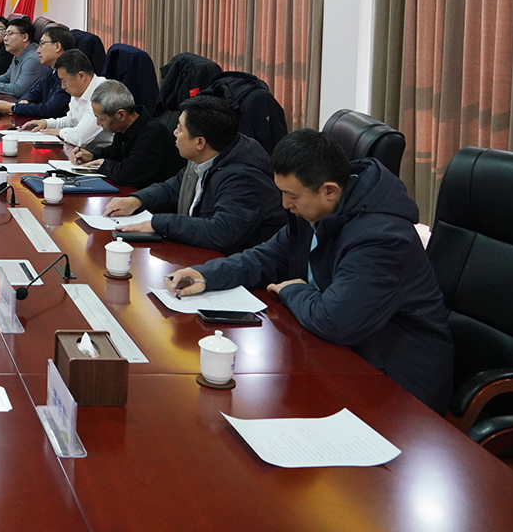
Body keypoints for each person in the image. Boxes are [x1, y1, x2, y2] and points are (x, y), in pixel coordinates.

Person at [165, 130, 453, 414]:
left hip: (397, 385)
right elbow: (267, 257)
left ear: (329, 190)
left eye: (291, 195)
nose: (284, 204)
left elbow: (335, 320)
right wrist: (207, 275)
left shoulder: (382, 237)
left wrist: (293, 290)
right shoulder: (318, 209)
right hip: (339, 353)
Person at [106, 95, 285, 254]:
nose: (174, 133)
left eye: (180, 129)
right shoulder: (208, 154)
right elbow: (172, 188)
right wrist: (137, 200)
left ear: (200, 142)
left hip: (238, 263)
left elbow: (221, 232)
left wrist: (158, 223)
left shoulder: (243, 178)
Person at [67, 80, 183, 189]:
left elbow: (127, 175)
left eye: (101, 119)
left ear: (121, 115)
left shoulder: (152, 133)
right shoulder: (124, 127)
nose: (98, 123)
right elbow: (115, 152)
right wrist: (92, 155)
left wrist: (104, 164)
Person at [19, 50, 113, 149]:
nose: (62, 86)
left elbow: (79, 137)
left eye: (64, 81)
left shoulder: (102, 94)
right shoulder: (79, 89)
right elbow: (71, 121)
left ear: (81, 76)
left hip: (101, 155)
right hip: (82, 151)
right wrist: (47, 123)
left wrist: (59, 132)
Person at [0, 25, 73, 118]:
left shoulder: (69, 75)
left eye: (42, 44)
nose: (38, 50)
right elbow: (35, 92)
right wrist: (25, 101)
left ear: (57, 46)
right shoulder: (52, 71)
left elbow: (50, 109)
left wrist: (13, 108)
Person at [0, 17, 44, 97]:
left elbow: (18, 90)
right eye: (5, 34)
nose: (5, 38)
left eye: (10, 34)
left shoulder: (32, 59)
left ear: (25, 37)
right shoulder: (18, 54)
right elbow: (7, 77)